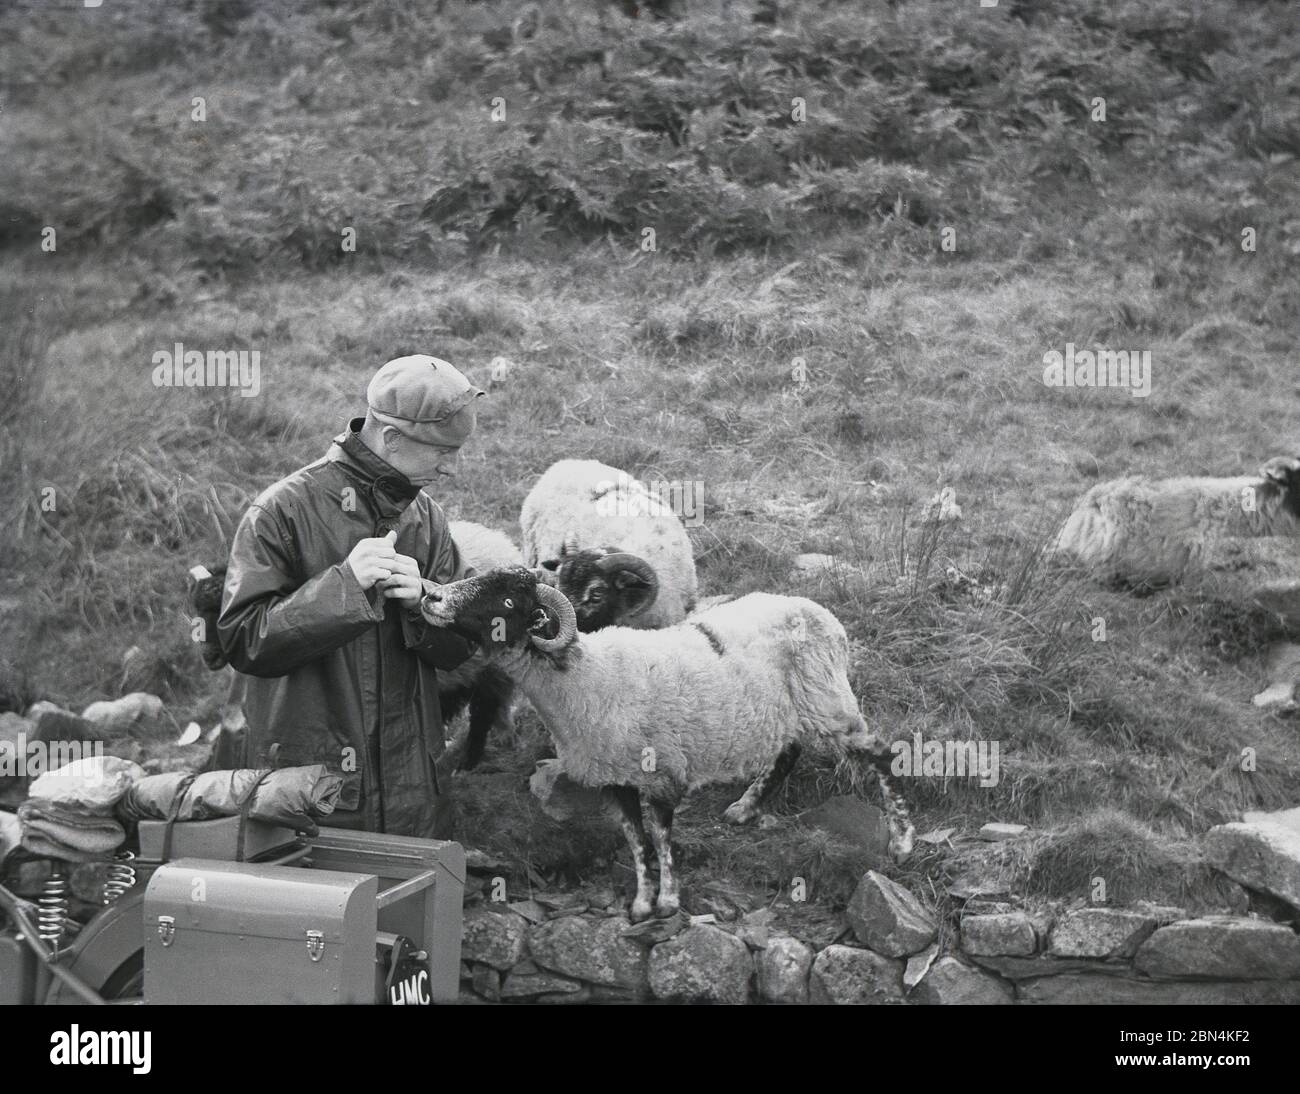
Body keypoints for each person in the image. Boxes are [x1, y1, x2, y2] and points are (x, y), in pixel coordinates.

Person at [217, 354, 484, 839]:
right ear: (392, 438)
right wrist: (343, 587)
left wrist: (425, 601)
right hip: (312, 800)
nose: (451, 467)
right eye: (443, 451)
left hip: (414, 805)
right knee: (318, 916)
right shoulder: (281, 510)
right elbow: (241, 641)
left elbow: (464, 648)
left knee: (408, 914)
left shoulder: (428, 519)